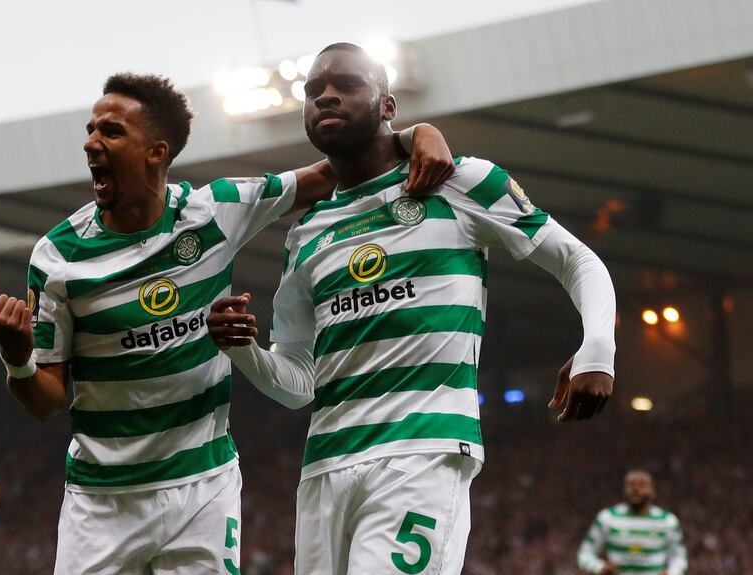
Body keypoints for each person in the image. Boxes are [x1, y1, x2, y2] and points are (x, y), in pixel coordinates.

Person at [0, 71, 454, 574]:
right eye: (91, 128)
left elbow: (332, 171)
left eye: (111, 132)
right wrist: (17, 358)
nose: (91, 143)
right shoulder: (58, 256)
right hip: (103, 502)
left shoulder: (215, 211)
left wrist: (414, 133)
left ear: (156, 153)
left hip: (203, 491)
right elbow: (47, 400)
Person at [206, 42, 616, 574]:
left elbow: (578, 261)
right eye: (313, 91)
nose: (325, 97)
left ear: (388, 105)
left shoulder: (460, 182)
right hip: (325, 467)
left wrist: (598, 347)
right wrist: (243, 350)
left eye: (346, 84)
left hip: (421, 453)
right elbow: (299, 382)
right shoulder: (306, 233)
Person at [578, 470, 688, 574]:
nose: (636, 489)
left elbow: (680, 558)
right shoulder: (607, 518)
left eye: (642, 485)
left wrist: (672, 573)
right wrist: (599, 567)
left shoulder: (668, 521)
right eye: (631, 485)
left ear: (653, 491)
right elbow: (585, 554)